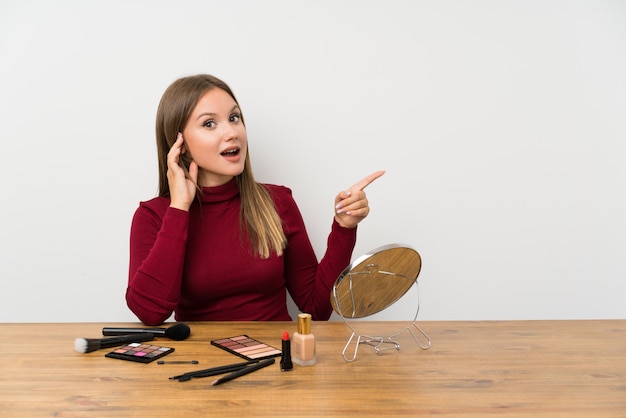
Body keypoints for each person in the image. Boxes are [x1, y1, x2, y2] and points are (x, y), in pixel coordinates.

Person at [126, 74, 384, 325]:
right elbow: (149, 313)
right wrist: (179, 208)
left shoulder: (277, 201)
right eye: (209, 124)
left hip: (274, 360)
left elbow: (316, 308)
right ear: (178, 143)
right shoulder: (154, 216)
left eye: (234, 118)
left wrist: (344, 228)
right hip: (202, 363)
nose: (231, 132)